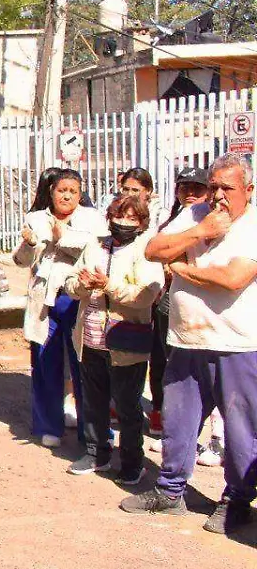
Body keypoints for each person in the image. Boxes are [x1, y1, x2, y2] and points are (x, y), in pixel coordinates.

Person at [121, 153, 257, 535]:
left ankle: (238, 499)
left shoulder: (253, 225)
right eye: (212, 186)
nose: (217, 195)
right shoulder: (196, 215)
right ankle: (170, 490)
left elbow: (232, 279)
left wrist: (181, 267)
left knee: (241, 427)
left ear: (248, 190)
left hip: (238, 342)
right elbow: (152, 251)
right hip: (187, 339)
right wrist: (200, 232)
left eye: (226, 188)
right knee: (179, 421)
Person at [64, 195, 163, 483]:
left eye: (132, 218)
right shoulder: (95, 245)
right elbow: (70, 283)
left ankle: (133, 461)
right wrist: (82, 285)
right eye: (120, 216)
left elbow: (146, 295)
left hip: (126, 343)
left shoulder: (146, 251)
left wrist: (108, 286)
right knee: (93, 401)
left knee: (127, 405)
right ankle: (97, 452)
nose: (124, 223)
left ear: (142, 223)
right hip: (91, 337)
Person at [13, 168, 106, 448]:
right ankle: (47, 424)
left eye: (73, 191)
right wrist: (30, 244)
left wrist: (60, 237)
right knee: (44, 360)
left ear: (80, 194)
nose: (66, 195)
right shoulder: (36, 218)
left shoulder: (92, 219)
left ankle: (91, 429)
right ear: (51, 191)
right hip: (46, 299)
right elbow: (22, 260)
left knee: (85, 364)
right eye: (61, 190)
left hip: (79, 297)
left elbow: (94, 251)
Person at [148, 165, 211, 438]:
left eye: (197, 188)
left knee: (206, 373)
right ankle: (167, 422)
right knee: (168, 364)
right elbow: (154, 250)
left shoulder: (212, 219)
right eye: (185, 187)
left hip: (205, 305)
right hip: (168, 301)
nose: (190, 193)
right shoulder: (172, 221)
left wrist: (180, 267)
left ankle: (207, 434)